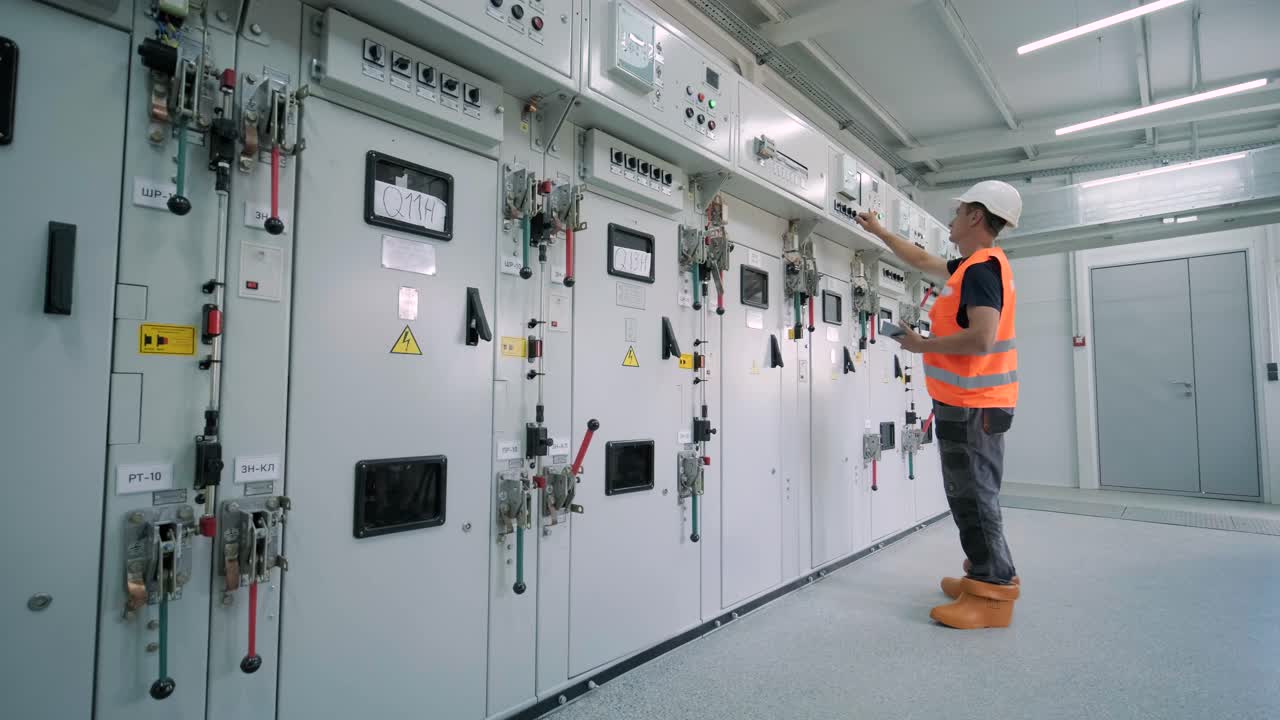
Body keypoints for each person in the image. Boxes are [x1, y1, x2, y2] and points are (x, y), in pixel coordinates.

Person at [854, 180, 1022, 630]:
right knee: (965, 493)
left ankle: (994, 592)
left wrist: (920, 345)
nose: (951, 218)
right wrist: (880, 232)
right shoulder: (970, 266)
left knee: (975, 495)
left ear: (976, 217)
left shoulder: (983, 270)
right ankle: (982, 574)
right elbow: (924, 261)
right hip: (965, 401)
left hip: (974, 403)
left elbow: (983, 338)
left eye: (959, 209)